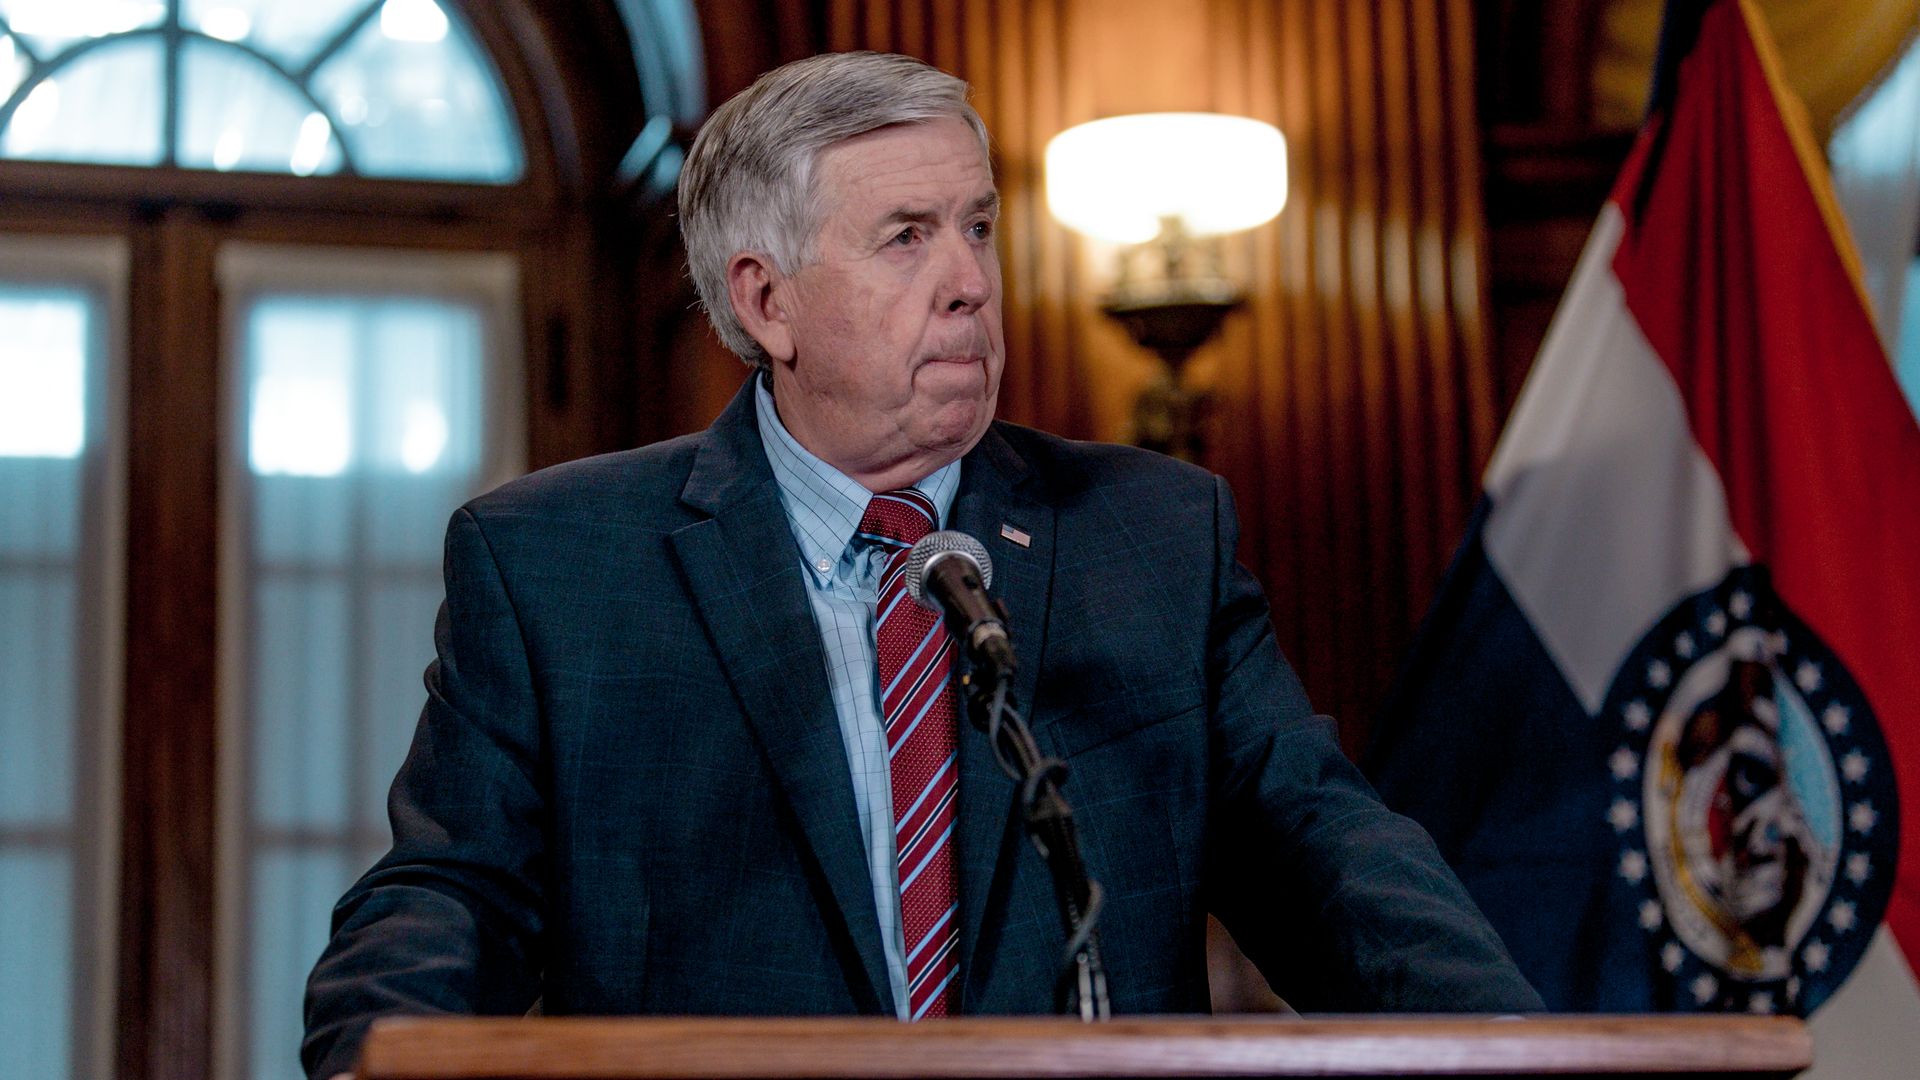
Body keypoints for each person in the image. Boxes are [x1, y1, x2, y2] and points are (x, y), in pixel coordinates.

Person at [302, 50, 1540, 1080]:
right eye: (905, 237)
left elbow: (1327, 859)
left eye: (978, 227)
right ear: (767, 302)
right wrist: (378, 1053)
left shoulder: (1151, 538)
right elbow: (450, 898)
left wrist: (1539, 1052)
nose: (968, 283)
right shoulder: (560, 567)